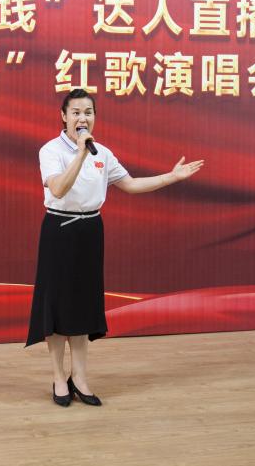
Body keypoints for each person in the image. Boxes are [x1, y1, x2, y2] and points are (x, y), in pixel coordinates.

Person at [25, 88, 203, 407]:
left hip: (91, 231)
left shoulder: (103, 154)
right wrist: (81, 154)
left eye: (88, 112)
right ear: (63, 116)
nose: (83, 118)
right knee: (57, 307)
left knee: (82, 306)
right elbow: (59, 189)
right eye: (76, 112)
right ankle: (58, 377)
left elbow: (131, 184)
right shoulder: (51, 150)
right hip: (59, 231)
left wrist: (172, 177)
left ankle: (80, 377)